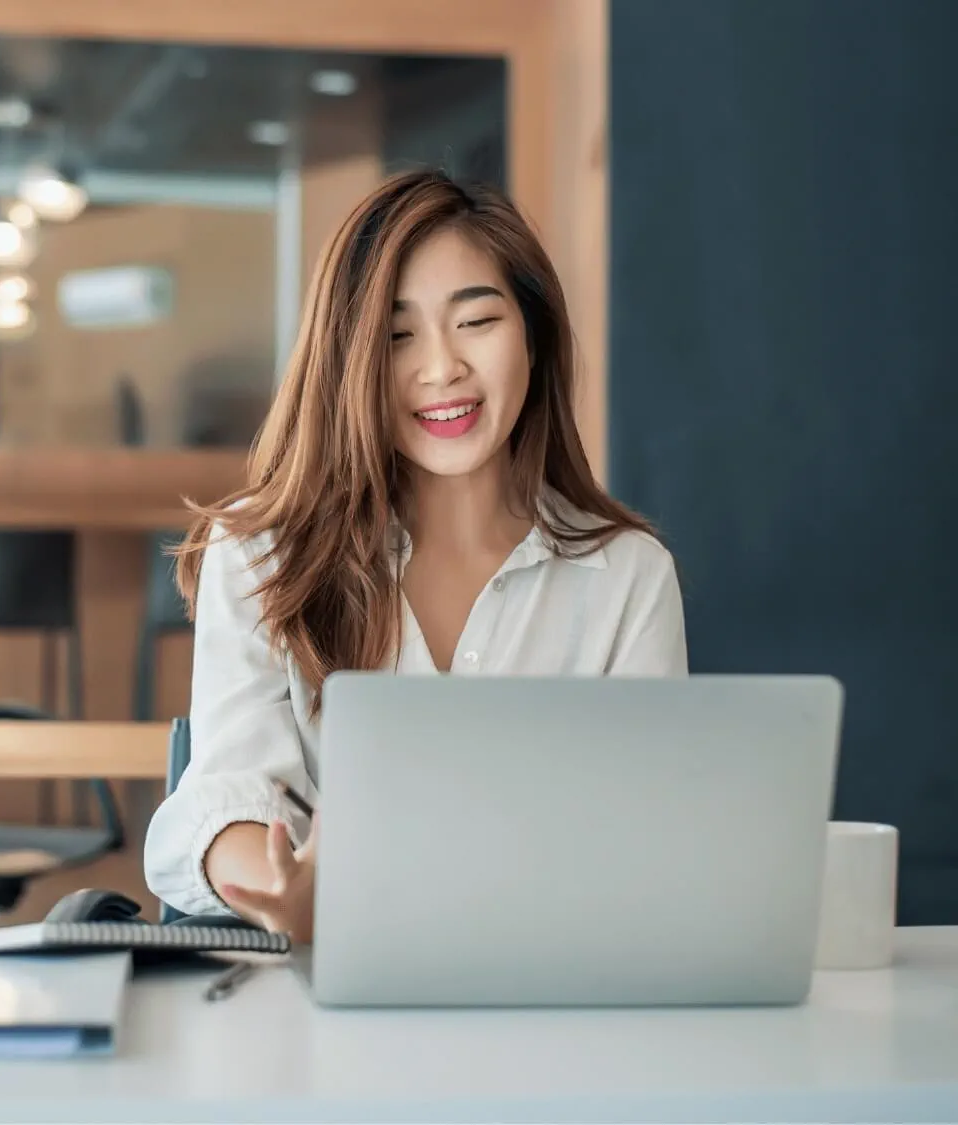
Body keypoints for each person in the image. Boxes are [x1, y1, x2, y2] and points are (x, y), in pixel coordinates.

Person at [143, 169, 688, 941]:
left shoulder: (628, 576)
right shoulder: (263, 554)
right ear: (349, 358)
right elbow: (233, 794)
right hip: (324, 1007)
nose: (441, 369)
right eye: (398, 335)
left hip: (554, 992)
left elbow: (653, 833)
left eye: (477, 321)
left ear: (533, 333)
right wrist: (291, 890)